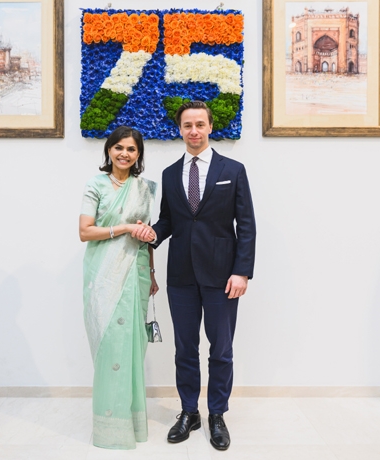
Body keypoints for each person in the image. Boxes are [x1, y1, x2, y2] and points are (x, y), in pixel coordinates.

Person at [132, 101, 256, 451]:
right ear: (180, 129)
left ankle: (217, 413)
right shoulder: (171, 174)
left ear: (210, 127)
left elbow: (246, 226)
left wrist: (242, 271)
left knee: (222, 350)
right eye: (187, 125)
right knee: (185, 348)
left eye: (200, 124)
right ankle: (189, 411)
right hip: (182, 276)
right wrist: (151, 233)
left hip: (222, 277)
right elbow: (170, 221)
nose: (194, 131)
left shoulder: (234, 169)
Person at [78, 125, 159, 450]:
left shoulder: (144, 188)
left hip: (136, 273)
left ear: (138, 155)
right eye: (119, 147)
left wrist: (152, 274)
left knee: (133, 347)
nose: (125, 153)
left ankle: (133, 424)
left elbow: (147, 236)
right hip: (104, 274)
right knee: (110, 344)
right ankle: (110, 428)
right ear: (109, 150)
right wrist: (123, 227)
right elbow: (85, 232)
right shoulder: (95, 185)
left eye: (132, 149)